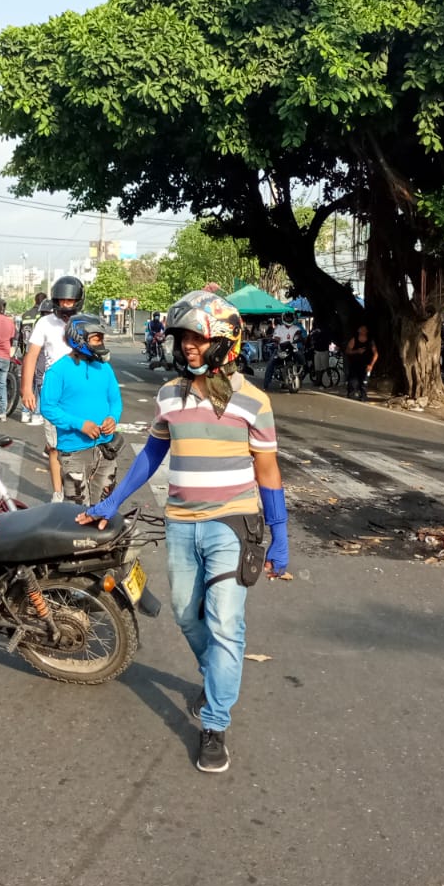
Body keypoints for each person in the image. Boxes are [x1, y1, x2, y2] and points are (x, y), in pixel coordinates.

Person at [79, 289, 288, 775]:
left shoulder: (253, 402)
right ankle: (216, 676)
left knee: (225, 624)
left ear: (222, 341)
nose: (188, 346)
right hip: (180, 524)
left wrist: (280, 536)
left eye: (197, 337)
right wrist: (111, 502)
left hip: (232, 525)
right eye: (182, 337)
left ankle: (214, 722)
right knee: (187, 618)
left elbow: (269, 471)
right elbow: (152, 454)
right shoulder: (169, 395)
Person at [40, 313, 122, 503]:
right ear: (78, 339)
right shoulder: (58, 371)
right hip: (74, 452)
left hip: (105, 449)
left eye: (101, 339)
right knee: (76, 513)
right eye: (96, 339)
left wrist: (113, 418)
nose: (100, 344)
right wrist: (79, 424)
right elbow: (48, 407)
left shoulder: (105, 368)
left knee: (105, 507)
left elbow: (115, 401)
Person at [22, 278, 84, 503]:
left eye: (70, 300)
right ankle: (58, 494)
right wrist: (26, 389)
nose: (66, 305)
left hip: (82, 391)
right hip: (53, 392)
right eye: (62, 300)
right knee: (55, 446)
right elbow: (31, 356)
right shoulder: (45, 323)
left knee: (83, 444)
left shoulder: (86, 322)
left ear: (78, 300)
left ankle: (82, 491)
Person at [263, 314, 297, 390]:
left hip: (292, 349)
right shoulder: (279, 329)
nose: (288, 320)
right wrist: (275, 340)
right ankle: (266, 384)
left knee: (301, 360)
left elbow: (301, 336)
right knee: (271, 364)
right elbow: (276, 338)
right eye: (287, 319)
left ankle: (299, 377)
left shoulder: (296, 328)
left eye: (289, 318)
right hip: (280, 349)